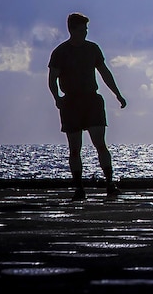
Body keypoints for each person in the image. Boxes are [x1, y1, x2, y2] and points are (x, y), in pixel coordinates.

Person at [48, 12, 128, 201]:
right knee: (75, 148)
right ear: (72, 30)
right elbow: (52, 79)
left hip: (92, 100)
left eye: (86, 30)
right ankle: (79, 187)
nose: (85, 33)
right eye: (82, 30)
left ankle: (109, 183)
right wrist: (57, 98)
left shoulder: (93, 49)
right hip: (71, 103)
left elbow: (105, 73)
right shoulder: (60, 52)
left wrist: (117, 94)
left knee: (100, 143)